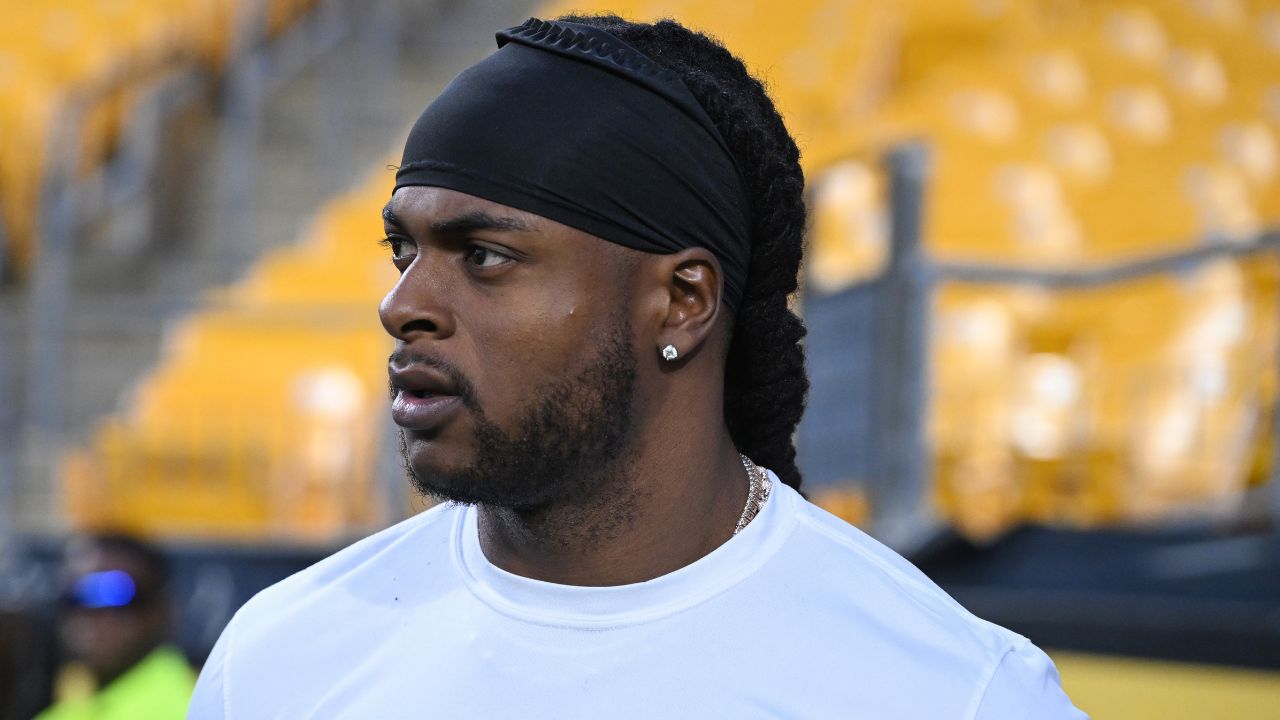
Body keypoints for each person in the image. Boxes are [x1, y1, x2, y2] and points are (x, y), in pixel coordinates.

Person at [190, 14, 1086, 718]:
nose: (403, 306)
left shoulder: (953, 694)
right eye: (404, 251)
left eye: (485, 255)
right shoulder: (281, 658)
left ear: (682, 302)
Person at [39, 533, 195, 720]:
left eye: (114, 594)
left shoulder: (192, 707)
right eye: (75, 597)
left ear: (161, 611)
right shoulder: (70, 700)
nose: (91, 614)